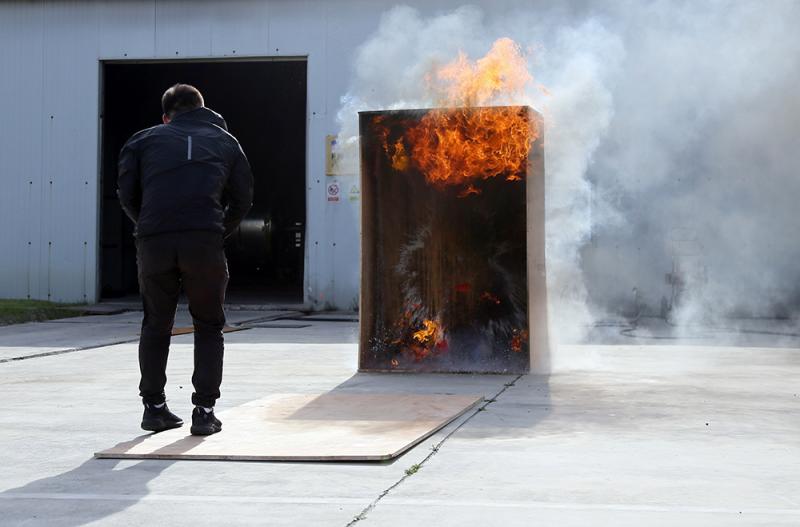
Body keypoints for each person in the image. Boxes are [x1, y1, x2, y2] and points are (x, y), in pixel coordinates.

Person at [117, 84, 253, 436]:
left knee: (155, 323)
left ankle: (154, 408)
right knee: (208, 324)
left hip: (154, 241)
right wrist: (217, 230)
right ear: (202, 108)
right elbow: (243, 198)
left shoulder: (141, 141)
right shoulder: (227, 141)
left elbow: (126, 194)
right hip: (204, 241)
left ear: (166, 116)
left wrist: (148, 226)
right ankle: (204, 413)